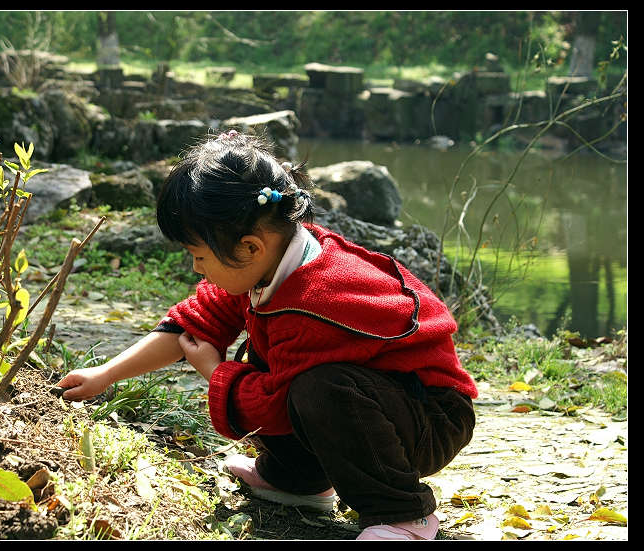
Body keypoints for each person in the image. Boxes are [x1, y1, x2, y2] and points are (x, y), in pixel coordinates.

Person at [57, 130, 477, 540]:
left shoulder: (316, 297)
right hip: (381, 402)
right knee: (280, 363)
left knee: (317, 388)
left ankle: (402, 514)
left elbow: (275, 406)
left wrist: (215, 371)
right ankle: (298, 482)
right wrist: (106, 374)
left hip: (430, 417)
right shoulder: (273, 264)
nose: (195, 269)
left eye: (199, 256)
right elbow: (192, 325)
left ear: (251, 247)